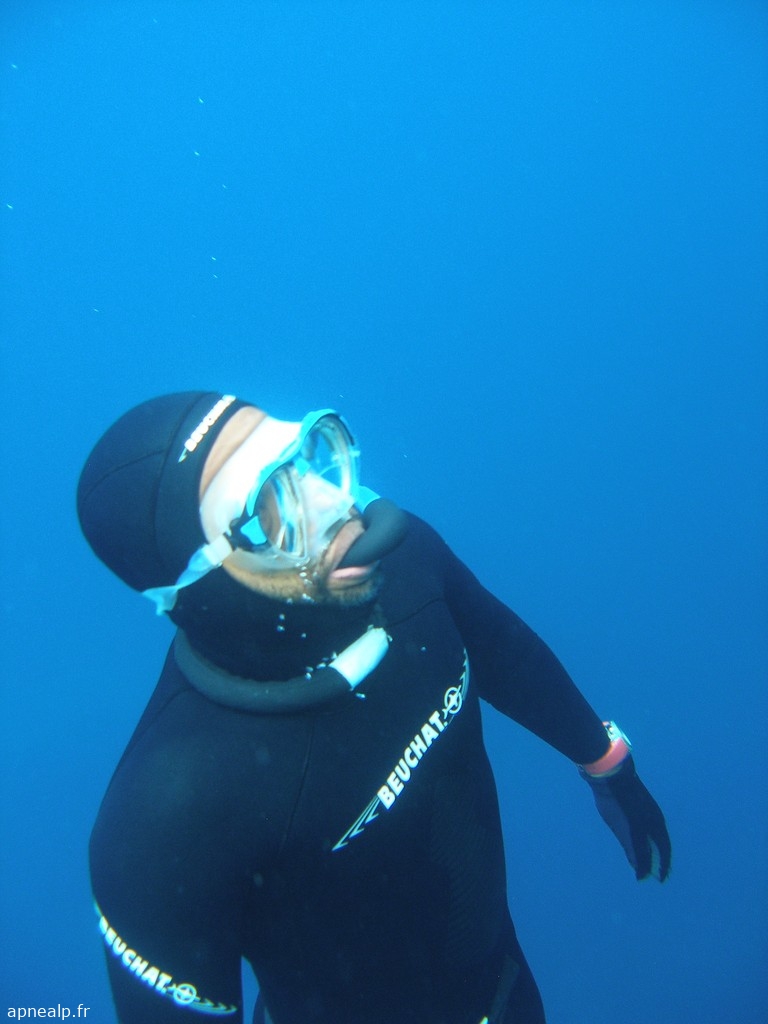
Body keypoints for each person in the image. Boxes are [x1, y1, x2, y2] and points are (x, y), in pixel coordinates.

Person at [77, 391, 671, 1024]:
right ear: (197, 586)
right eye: (271, 510)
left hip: (509, 995)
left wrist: (605, 759)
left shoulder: (404, 561)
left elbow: (499, 644)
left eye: (311, 457)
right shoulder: (161, 822)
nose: (336, 505)